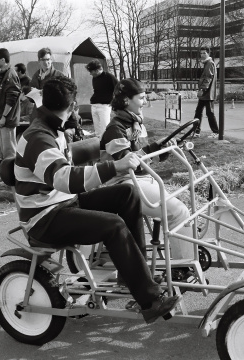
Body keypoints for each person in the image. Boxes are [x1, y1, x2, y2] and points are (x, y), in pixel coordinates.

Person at [15, 76, 182, 324]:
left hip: (62, 204)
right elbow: (65, 179)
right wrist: (114, 167)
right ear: (72, 107)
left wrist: (103, 156)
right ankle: (149, 301)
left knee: (127, 193)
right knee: (114, 225)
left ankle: (135, 277)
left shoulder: (52, 128)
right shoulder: (39, 137)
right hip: (44, 218)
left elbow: (69, 171)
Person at [100, 78, 195, 264]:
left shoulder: (136, 124)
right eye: (142, 98)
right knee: (179, 212)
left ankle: (184, 259)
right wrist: (153, 150)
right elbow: (129, 163)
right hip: (125, 184)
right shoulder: (115, 130)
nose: (145, 102)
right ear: (127, 100)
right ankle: (184, 265)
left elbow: (145, 156)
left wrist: (164, 149)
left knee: (182, 208)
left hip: (142, 179)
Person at [0, 48, 21, 164]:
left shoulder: (10, 75)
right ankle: (8, 178)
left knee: (10, 152)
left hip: (7, 120)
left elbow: (11, 99)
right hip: (2, 119)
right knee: (4, 152)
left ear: (3, 60)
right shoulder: (3, 74)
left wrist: (4, 117)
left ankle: (13, 179)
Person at [86, 59, 119, 138]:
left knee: (105, 129)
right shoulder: (94, 78)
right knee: (97, 130)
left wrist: (114, 102)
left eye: (91, 71)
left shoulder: (109, 77)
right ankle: (99, 146)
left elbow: (119, 88)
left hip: (104, 106)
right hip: (94, 105)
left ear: (97, 70)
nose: (90, 74)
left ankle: (106, 146)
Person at [193, 46, 219, 139]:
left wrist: (202, 90)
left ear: (208, 53)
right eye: (201, 53)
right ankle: (196, 131)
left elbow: (208, 78)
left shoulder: (209, 63)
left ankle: (216, 132)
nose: (202, 55)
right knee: (198, 112)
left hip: (207, 93)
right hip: (206, 93)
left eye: (204, 53)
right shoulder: (207, 63)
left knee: (209, 113)